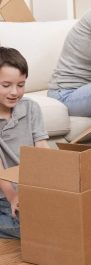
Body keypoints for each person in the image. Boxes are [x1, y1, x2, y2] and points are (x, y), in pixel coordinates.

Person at [0, 47, 50, 239]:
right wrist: (12, 196)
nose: (14, 92)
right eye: (6, 85)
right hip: (5, 192)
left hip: (30, 189)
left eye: (20, 85)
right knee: (32, 229)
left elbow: (42, 148)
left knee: (59, 218)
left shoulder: (31, 109)